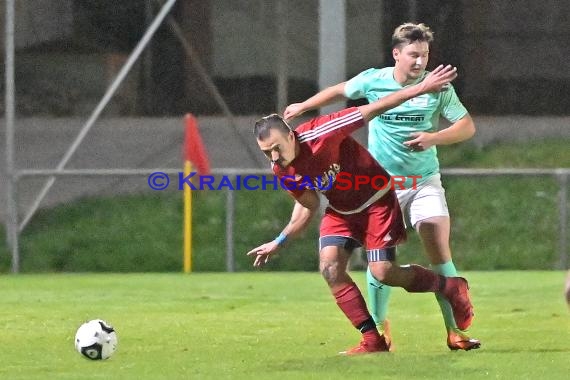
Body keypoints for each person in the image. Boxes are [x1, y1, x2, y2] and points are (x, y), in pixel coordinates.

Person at [247, 65, 474, 355]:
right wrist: (279, 241)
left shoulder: (322, 132)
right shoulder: (281, 169)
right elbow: (308, 205)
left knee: (382, 272)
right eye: (267, 152)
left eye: (277, 147)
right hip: (342, 211)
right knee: (329, 268)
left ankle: (450, 286)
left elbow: (376, 107)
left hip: (377, 201)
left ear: (291, 136)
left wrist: (422, 87)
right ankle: (372, 340)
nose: (274, 156)